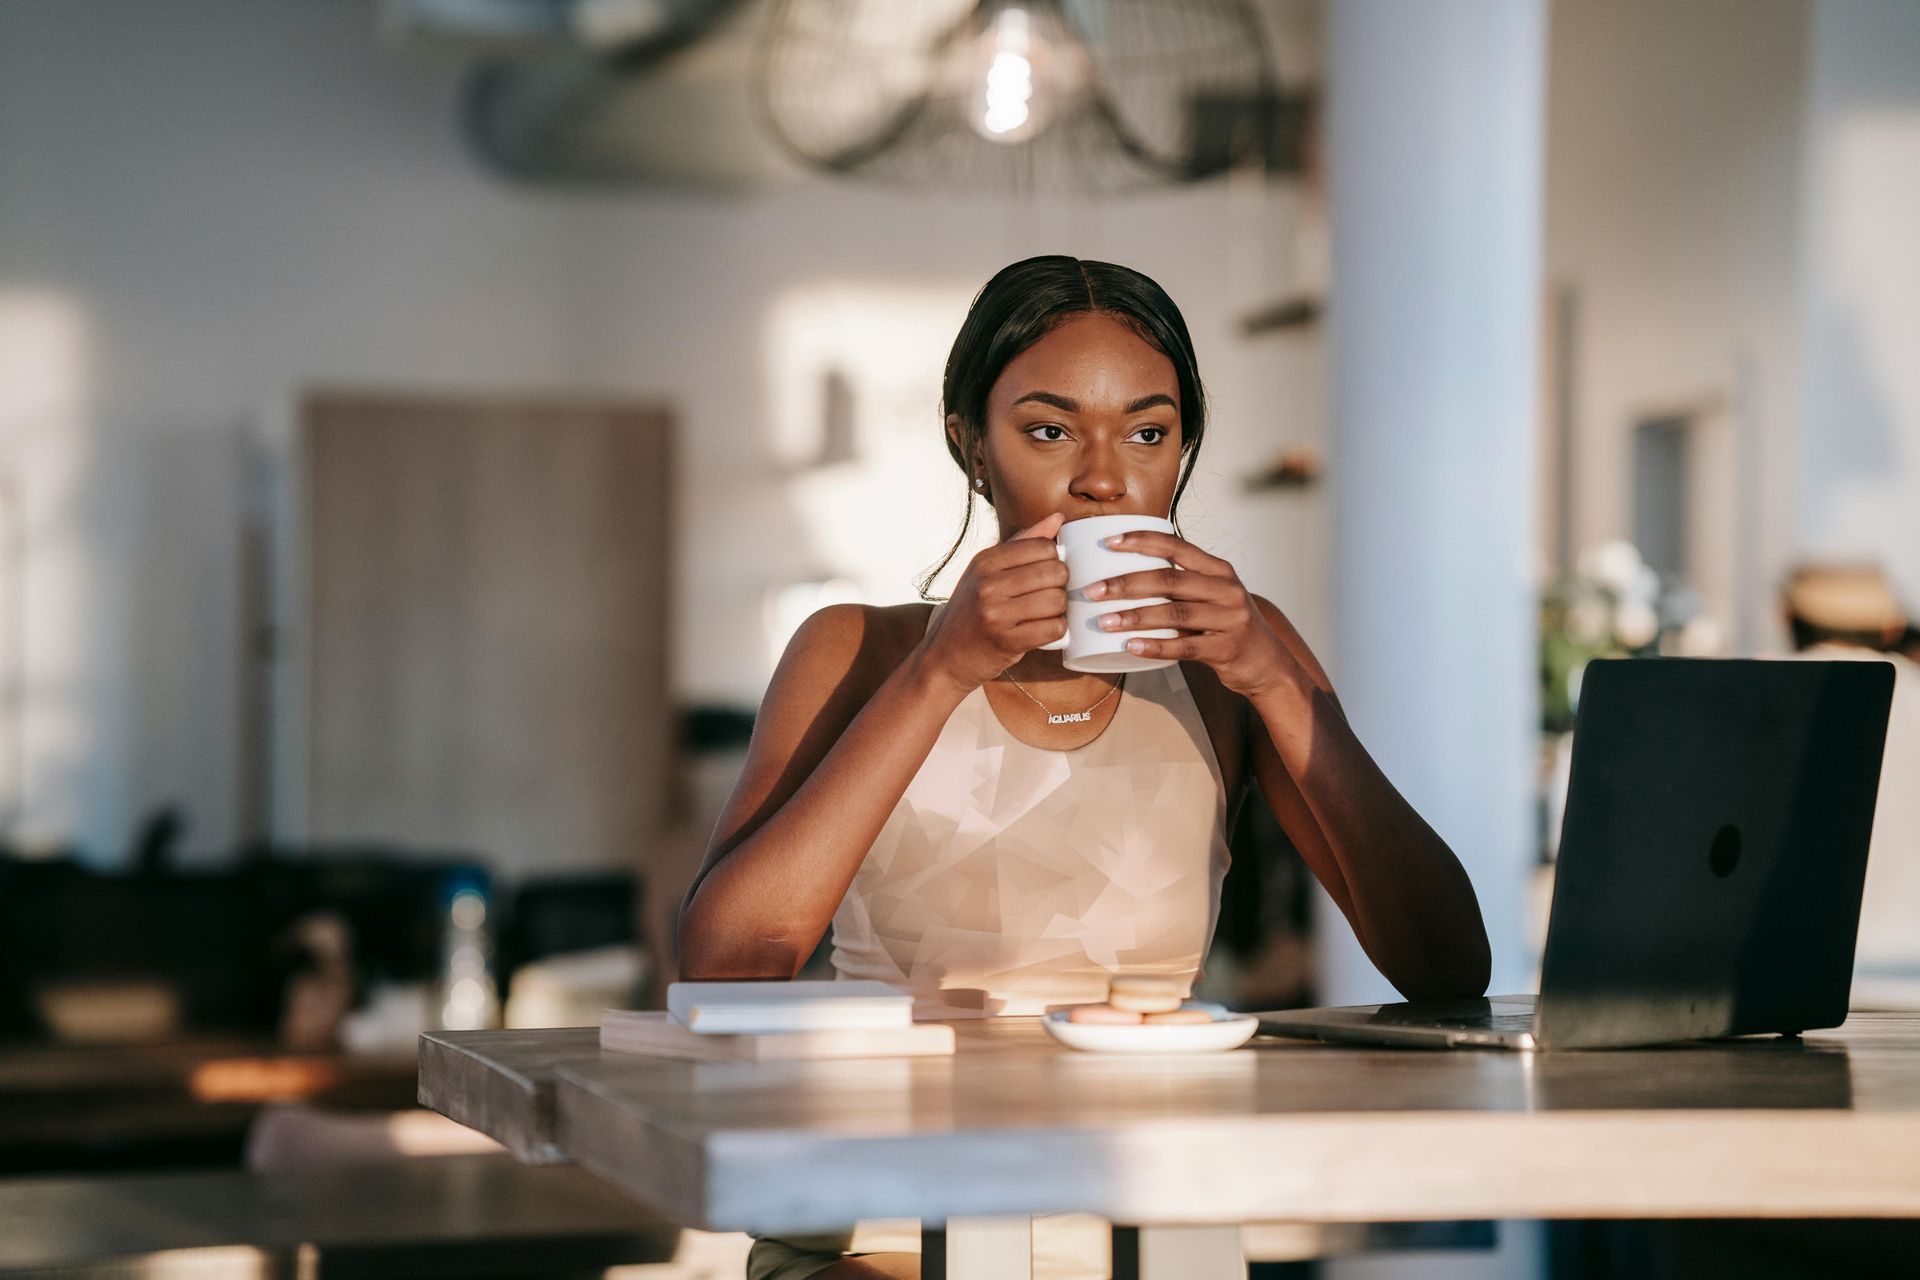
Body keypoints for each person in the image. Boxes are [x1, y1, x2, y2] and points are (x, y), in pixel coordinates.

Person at [677, 256, 1490, 1280]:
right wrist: (943, 670)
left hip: (1158, 1223)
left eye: (1147, 432)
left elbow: (1446, 965)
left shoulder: (1236, 661)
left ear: (1181, 451)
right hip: (878, 1229)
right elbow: (724, 964)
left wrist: (1276, 683)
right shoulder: (861, 650)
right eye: (1050, 429)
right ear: (969, 443)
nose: (1104, 476)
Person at [1781, 564, 1920, 1009]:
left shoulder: (1757, 695)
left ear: (1787, 617)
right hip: (1910, 978)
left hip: (1785, 986)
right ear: (1890, 624)